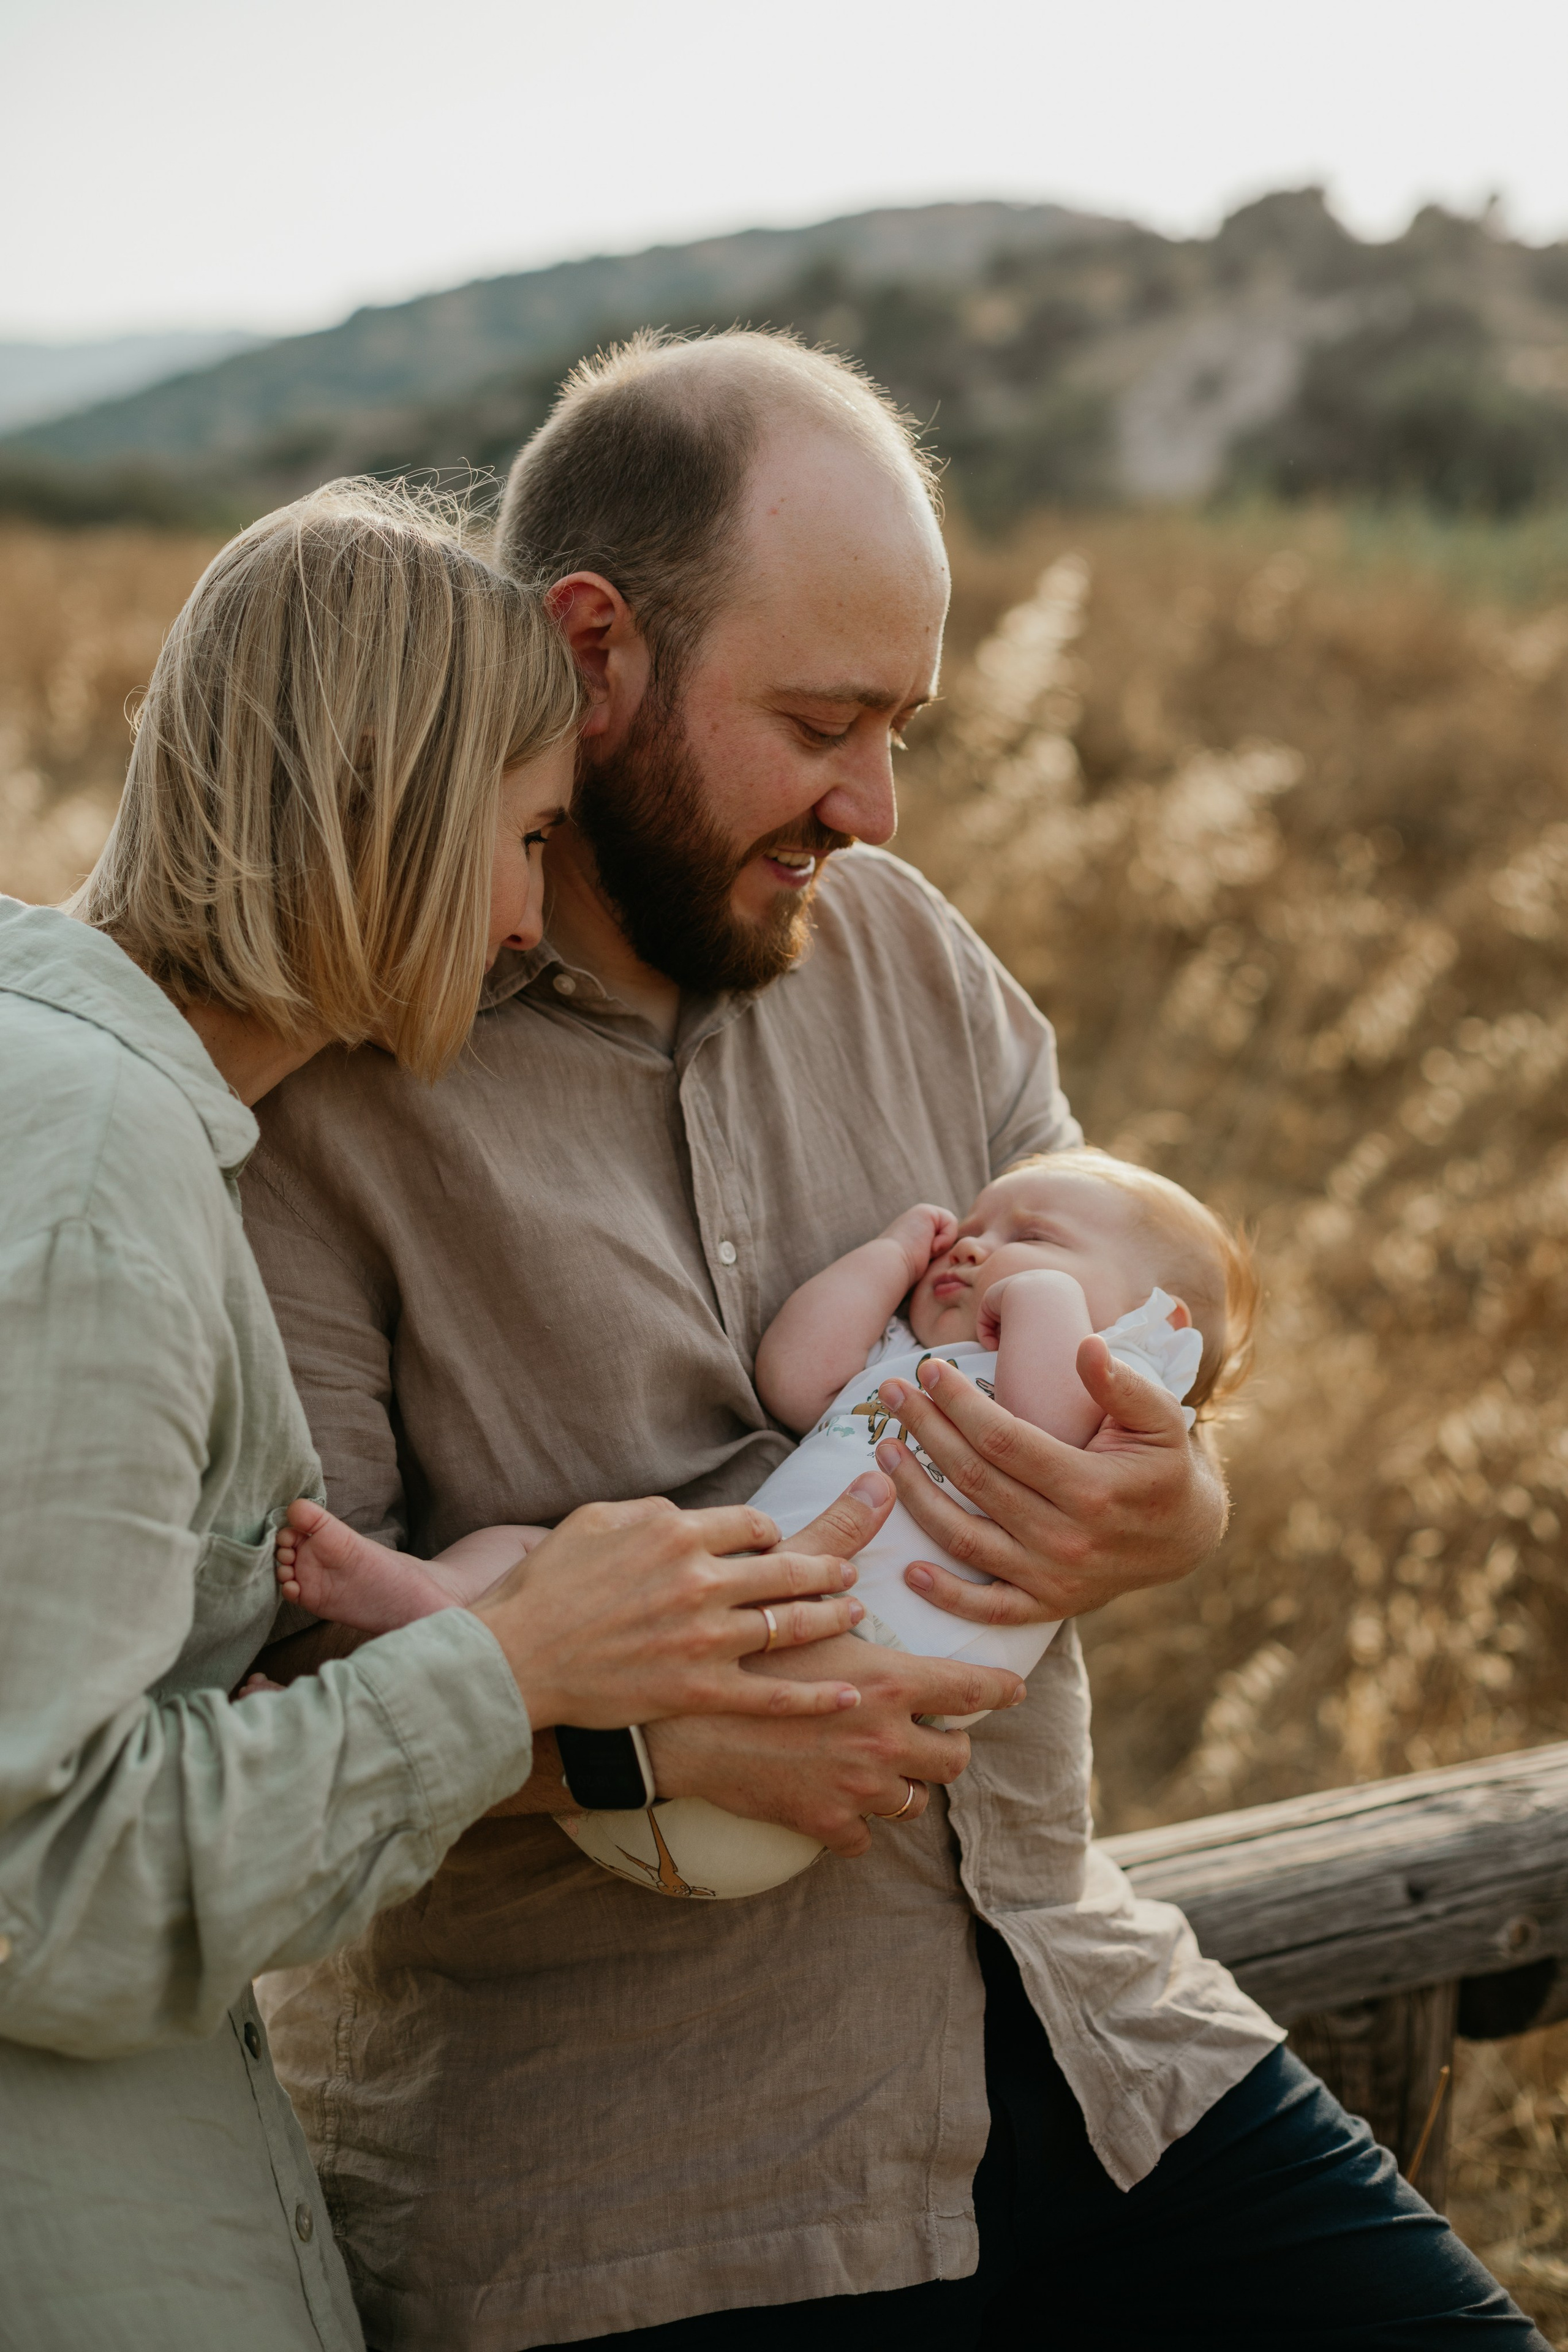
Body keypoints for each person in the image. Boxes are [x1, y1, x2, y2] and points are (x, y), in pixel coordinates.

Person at [246, 341, 1545, 2347]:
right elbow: (264, 1707)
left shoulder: (905, 949)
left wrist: (1169, 1499)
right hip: (639, 2184)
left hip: (1091, 2034)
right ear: (593, 652)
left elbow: (1137, 1303)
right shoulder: (324, 1083)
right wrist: (612, 1729)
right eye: (822, 720)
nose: (872, 800)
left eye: (906, 727)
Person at [0, 477, 914, 2352]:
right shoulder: (97, 1174)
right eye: (522, 838)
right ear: (382, 820)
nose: (525, 920)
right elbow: (44, 1878)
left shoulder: (74, 1091)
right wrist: (517, 1665)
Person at [265, 1147, 1250, 1898]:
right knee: (555, 1547)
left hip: (829, 1705)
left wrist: (1037, 1297)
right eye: (971, 1226)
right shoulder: (901, 1353)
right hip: (683, 1650)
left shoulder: (1109, 1388)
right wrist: (894, 1252)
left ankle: (465, 1629)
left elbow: (1035, 1430)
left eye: (1030, 1236)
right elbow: (794, 1377)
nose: (973, 1245)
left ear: (1151, 1326)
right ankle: (428, 1600)